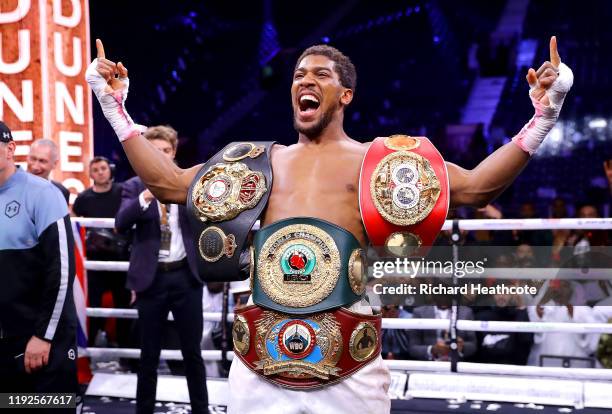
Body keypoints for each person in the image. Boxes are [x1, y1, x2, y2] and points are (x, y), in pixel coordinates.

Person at [87, 35, 572, 413]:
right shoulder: (256, 164)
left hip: (350, 371)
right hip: (259, 368)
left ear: (345, 94)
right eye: (299, 74)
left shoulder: (380, 163)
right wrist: (113, 106)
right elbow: (170, 183)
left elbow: (477, 187)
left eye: (320, 74)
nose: (304, 81)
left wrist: (544, 114)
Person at [114, 125, 208, 414]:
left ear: (174, 152)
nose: (160, 156)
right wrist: (148, 194)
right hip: (151, 280)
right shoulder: (133, 185)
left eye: (165, 151)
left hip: (186, 277)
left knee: (192, 352)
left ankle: (201, 411)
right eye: (153, 152)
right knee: (149, 355)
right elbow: (120, 223)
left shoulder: (190, 180)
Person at [0, 121, 78, 409]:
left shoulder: (43, 193)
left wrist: (43, 335)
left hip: (39, 340)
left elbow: (61, 272)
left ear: (10, 149)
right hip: (5, 342)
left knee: (46, 406)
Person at [73, 156, 130, 348]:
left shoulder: (122, 192)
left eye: (103, 168)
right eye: (95, 169)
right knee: (93, 306)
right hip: (95, 261)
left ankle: (124, 351)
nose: (100, 172)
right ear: (90, 174)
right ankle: (90, 350)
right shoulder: (83, 198)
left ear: (110, 170)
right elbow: (74, 223)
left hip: (121, 259)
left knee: (123, 305)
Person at [27, 138, 70, 203]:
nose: (35, 166)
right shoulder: (11, 186)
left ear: (55, 164)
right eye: (33, 159)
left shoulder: (61, 192)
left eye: (42, 161)